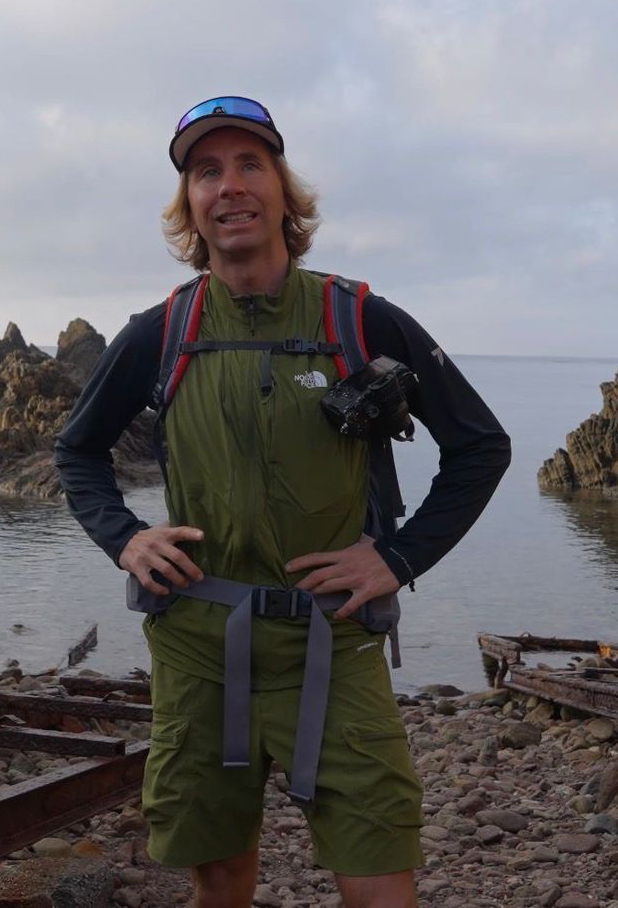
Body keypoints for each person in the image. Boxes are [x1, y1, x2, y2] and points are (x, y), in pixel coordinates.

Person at [55, 95, 510, 908]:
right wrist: (125, 538)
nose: (229, 185)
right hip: (199, 652)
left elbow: (481, 446)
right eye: (207, 171)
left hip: (334, 647)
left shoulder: (359, 319)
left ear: (282, 190)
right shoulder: (161, 332)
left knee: (380, 885)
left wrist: (398, 557)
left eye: (249, 165)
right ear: (190, 203)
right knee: (220, 881)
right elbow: (77, 451)